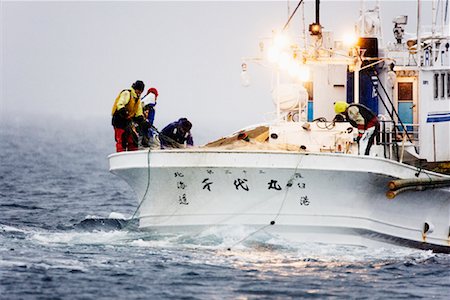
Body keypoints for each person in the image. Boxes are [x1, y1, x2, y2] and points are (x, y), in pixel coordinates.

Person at [111, 80, 146, 152]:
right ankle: (121, 155)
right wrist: (124, 112)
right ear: (135, 89)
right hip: (119, 120)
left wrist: (142, 120)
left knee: (133, 139)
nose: (139, 93)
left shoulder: (137, 99)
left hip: (128, 121)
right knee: (121, 139)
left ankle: (132, 154)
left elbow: (139, 112)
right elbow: (120, 104)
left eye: (141, 91)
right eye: (138, 90)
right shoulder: (127, 93)